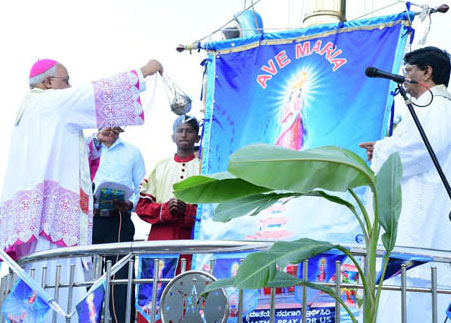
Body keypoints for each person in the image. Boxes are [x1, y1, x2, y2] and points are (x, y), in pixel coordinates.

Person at [0, 58, 162, 322]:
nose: (70, 86)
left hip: (35, 225)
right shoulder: (52, 102)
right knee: (60, 297)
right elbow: (96, 92)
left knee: (39, 296)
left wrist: (96, 143)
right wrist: (144, 72)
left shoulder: (29, 111)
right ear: (48, 82)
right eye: (66, 81)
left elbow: (59, 158)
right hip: (53, 225)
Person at [359, 46, 451, 322]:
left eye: (408, 71)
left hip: (422, 224)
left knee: (411, 300)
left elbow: (424, 149)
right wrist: (385, 149)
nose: (404, 78)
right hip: (418, 221)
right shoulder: (431, 108)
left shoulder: (438, 106)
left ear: (427, 72)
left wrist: (383, 148)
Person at [135, 115, 200, 323]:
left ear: (197, 137)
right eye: (180, 130)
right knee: (154, 291)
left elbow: (211, 212)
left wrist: (186, 211)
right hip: (160, 240)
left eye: (189, 131)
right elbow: (142, 207)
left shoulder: (203, 167)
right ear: (173, 136)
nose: (184, 134)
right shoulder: (160, 167)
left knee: (190, 289)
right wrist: (166, 209)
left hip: (191, 240)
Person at [88, 126, 146, 323]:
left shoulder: (133, 152)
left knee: (121, 279)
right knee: (87, 277)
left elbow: (143, 188)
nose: (111, 127)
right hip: (89, 220)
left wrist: (131, 204)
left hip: (119, 219)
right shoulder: (86, 147)